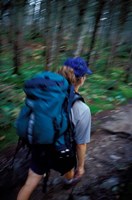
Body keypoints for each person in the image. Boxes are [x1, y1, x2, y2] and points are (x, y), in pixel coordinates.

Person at [17, 57, 92, 200]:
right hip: (61, 152)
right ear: (81, 79)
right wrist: (81, 167)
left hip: (40, 146)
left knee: (30, 183)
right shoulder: (82, 109)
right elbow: (81, 144)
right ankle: (68, 180)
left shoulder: (45, 96)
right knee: (68, 169)